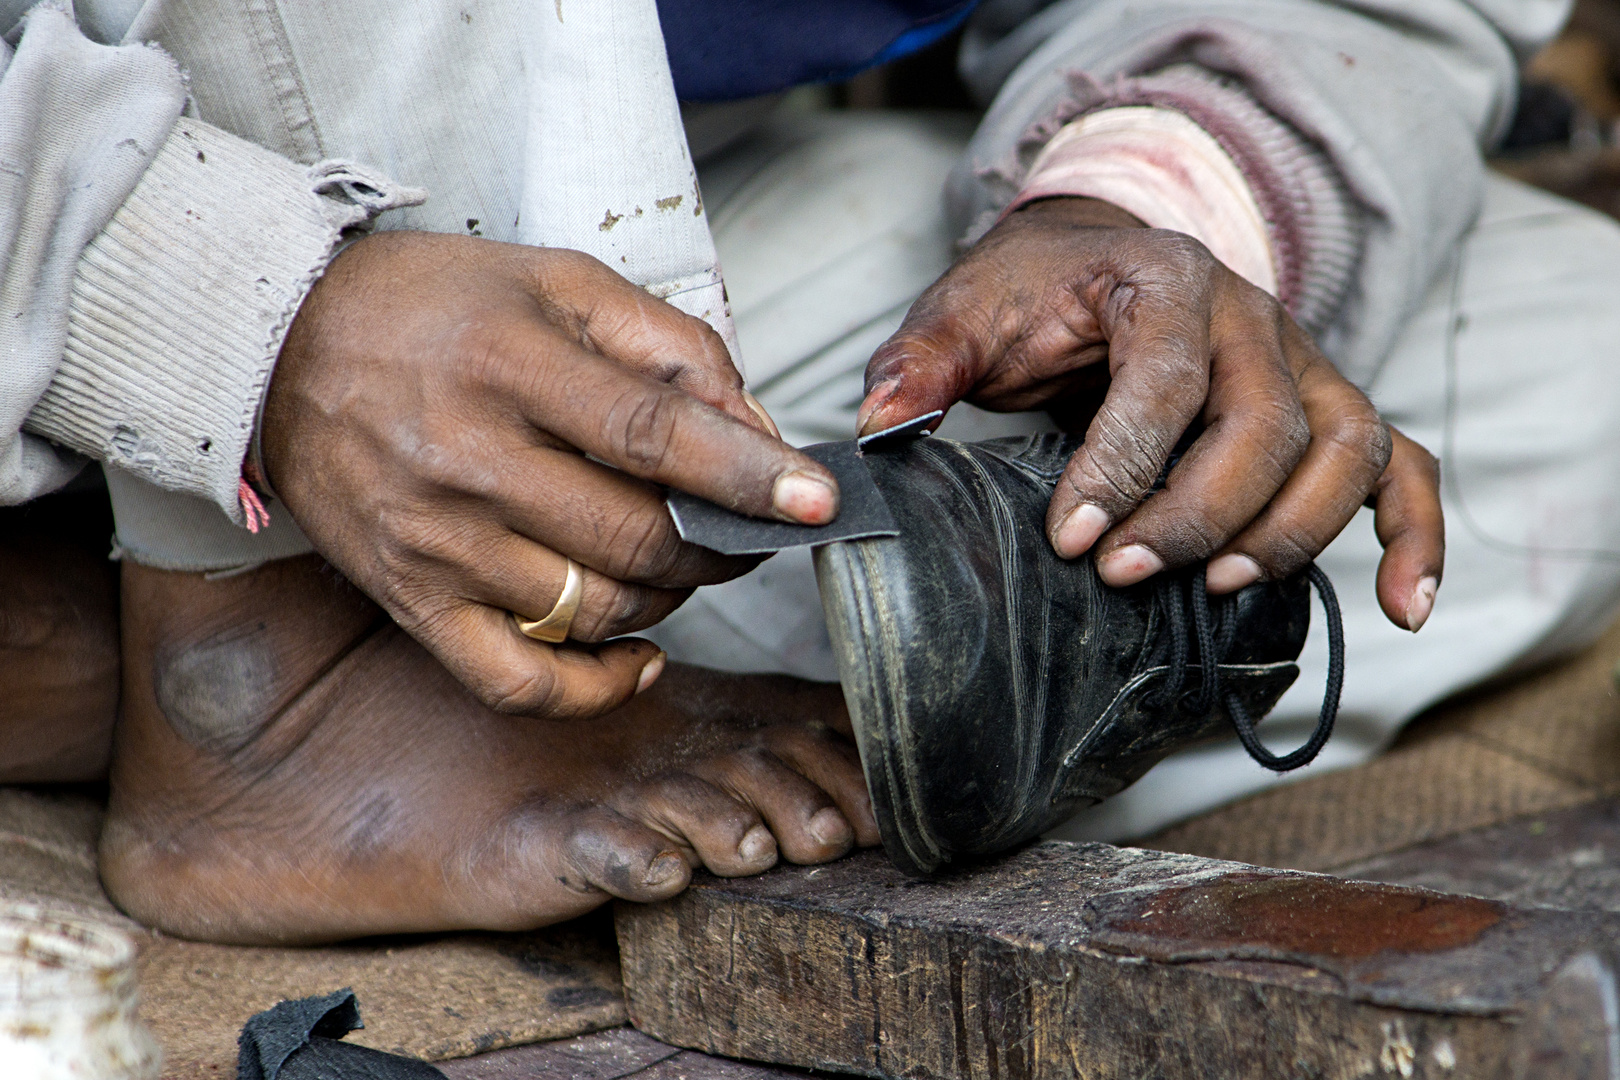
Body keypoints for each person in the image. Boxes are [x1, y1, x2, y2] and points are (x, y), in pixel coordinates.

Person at [0, 0, 1613, 945]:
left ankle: (89, 623)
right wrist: (237, 316)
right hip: (84, 184)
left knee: (1584, 361)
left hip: (624, 204)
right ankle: (255, 662)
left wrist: (1147, 200)